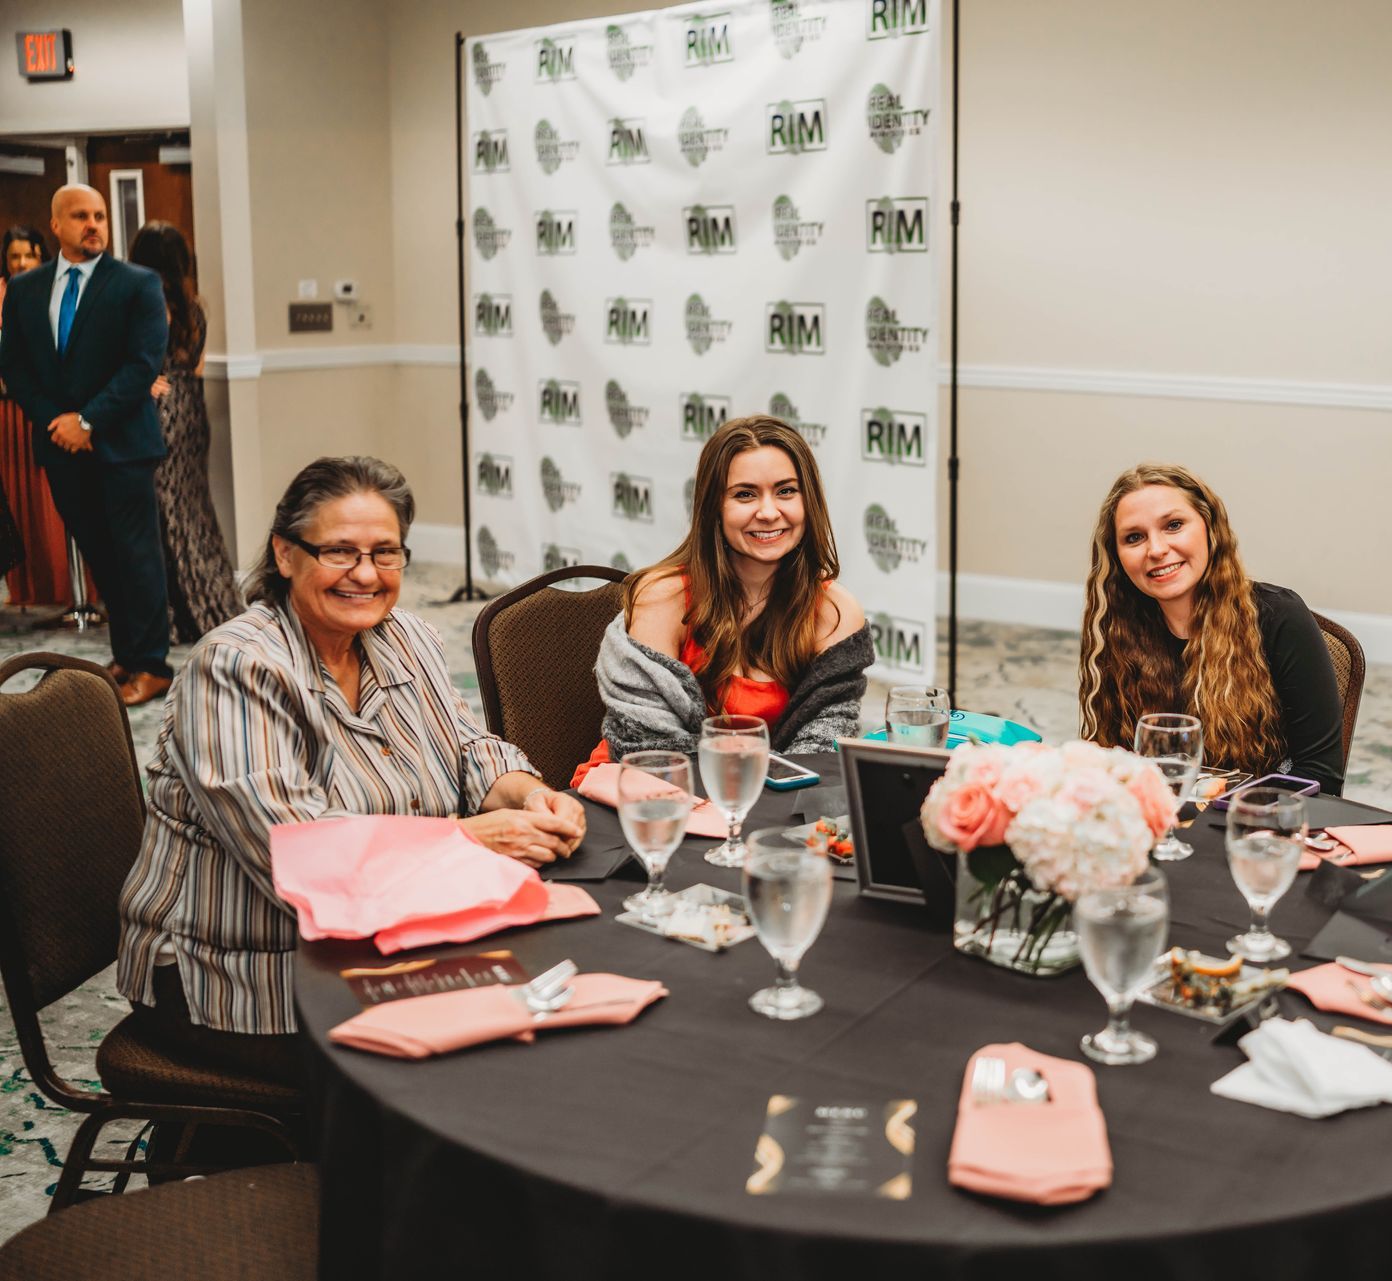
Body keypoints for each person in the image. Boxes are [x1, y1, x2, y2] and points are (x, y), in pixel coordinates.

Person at [117, 456, 587, 1079]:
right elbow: (296, 859)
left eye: (385, 553)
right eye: (339, 552)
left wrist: (528, 794)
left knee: (561, 995)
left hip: (387, 939)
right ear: (286, 555)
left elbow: (471, 750)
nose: (365, 575)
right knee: (493, 1052)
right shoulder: (236, 668)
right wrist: (469, 838)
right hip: (244, 975)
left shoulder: (406, 636)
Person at [586, 414, 872, 772]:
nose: (769, 512)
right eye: (745, 494)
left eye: (786, 491)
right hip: (645, 798)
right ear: (714, 509)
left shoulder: (836, 612)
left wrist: (764, 804)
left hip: (767, 801)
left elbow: (820, 748)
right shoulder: (663, 599)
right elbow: (649, 748)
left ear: (808, 501)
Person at [0, 186, 173, 704]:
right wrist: (56, 421)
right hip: (60, 448)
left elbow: (144, 363)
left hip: (123, 444)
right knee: (102, 557)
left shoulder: (137, 284)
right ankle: (125, 655)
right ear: (56, 223)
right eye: (81, 216)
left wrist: (88, 421)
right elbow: (15, 366)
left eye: (99, 215)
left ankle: (152, 666)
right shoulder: (26, 289)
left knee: (137, 558)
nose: (93, 224)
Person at [1078, 463, 1346, 793]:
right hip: (1161, 823)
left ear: (1209, 527)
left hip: (1253, 824)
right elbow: (1116, 762)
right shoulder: (1118, 630)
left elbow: (1321, 775)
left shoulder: (1279, 617)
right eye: (1134, 537)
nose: (1157, 549)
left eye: (1174, 525)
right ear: (1118, 556)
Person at [130, 220, 242, 642]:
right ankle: (209, 603)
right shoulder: (194, 306)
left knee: (166, 515)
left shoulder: (145, 300)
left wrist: (146, 383)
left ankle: (178, 614)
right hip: (192, 410)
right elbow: (194, 367)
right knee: (194, 510)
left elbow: (142, 364)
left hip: (161, 413)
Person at [0, 224, 71, 608]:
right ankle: (30, 588)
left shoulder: (56, 292)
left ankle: (65, 586)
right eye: (15, 257)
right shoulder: (1, 296)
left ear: (42, 255)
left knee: (52, 497)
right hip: (7, 413)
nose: (22, 263)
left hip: (50, 409)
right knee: (17, 498)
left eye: (29, 254)